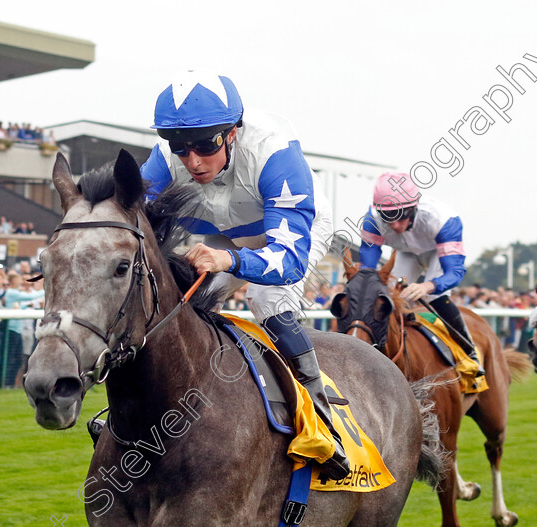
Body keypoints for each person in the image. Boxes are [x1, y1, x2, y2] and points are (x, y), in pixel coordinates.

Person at [139, 70, 347, 479]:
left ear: (232, 132)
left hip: (289, 235)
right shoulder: (166, 162)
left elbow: (286, 260)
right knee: (179, 299)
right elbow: (127, 216)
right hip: (222, 230)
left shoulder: (274, 152)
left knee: (265, 300)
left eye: (204, 144)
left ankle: (323, 420)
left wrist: (229, 261)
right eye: (179, 146)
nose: (192, 160)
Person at [359, 172, 485, 377]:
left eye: (401, 216)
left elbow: (455, 271)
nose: (395, 225)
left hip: (437, 252)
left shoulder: (443, 219)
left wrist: (428, 285)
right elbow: (368, 269)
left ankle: (469, 351)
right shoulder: (371, 219)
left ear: (414, 207)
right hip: (405, 254)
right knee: (385, 296)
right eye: (388, 217)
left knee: (433, 296)